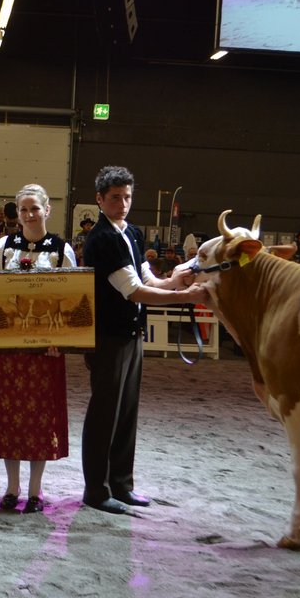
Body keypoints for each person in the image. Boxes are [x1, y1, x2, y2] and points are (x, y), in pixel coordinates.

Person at [81, 166, 206, 515]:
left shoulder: (131, 233)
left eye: (127, 197)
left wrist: (176, 280)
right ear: (99, 199)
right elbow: (134, 291)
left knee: (126, 413)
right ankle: (96, 490)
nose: (122, 204)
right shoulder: (102, 239)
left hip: (130, 334)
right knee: (105, 413)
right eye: (115, 198)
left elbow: (148, 279)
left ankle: (122, 484)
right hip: (108, 336)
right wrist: (186, 296)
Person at [0, 184, 77, 513]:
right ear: (17, 214)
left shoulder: (62, 249)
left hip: (44, 351)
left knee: (40, 419)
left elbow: (70, 297)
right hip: (9, 348)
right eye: (24, 209)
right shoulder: (4, 246)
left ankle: (35, 489)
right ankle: (12, 487)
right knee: (9, 416)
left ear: (47, 210)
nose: (29, 214)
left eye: (35, 208)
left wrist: (59, 340)